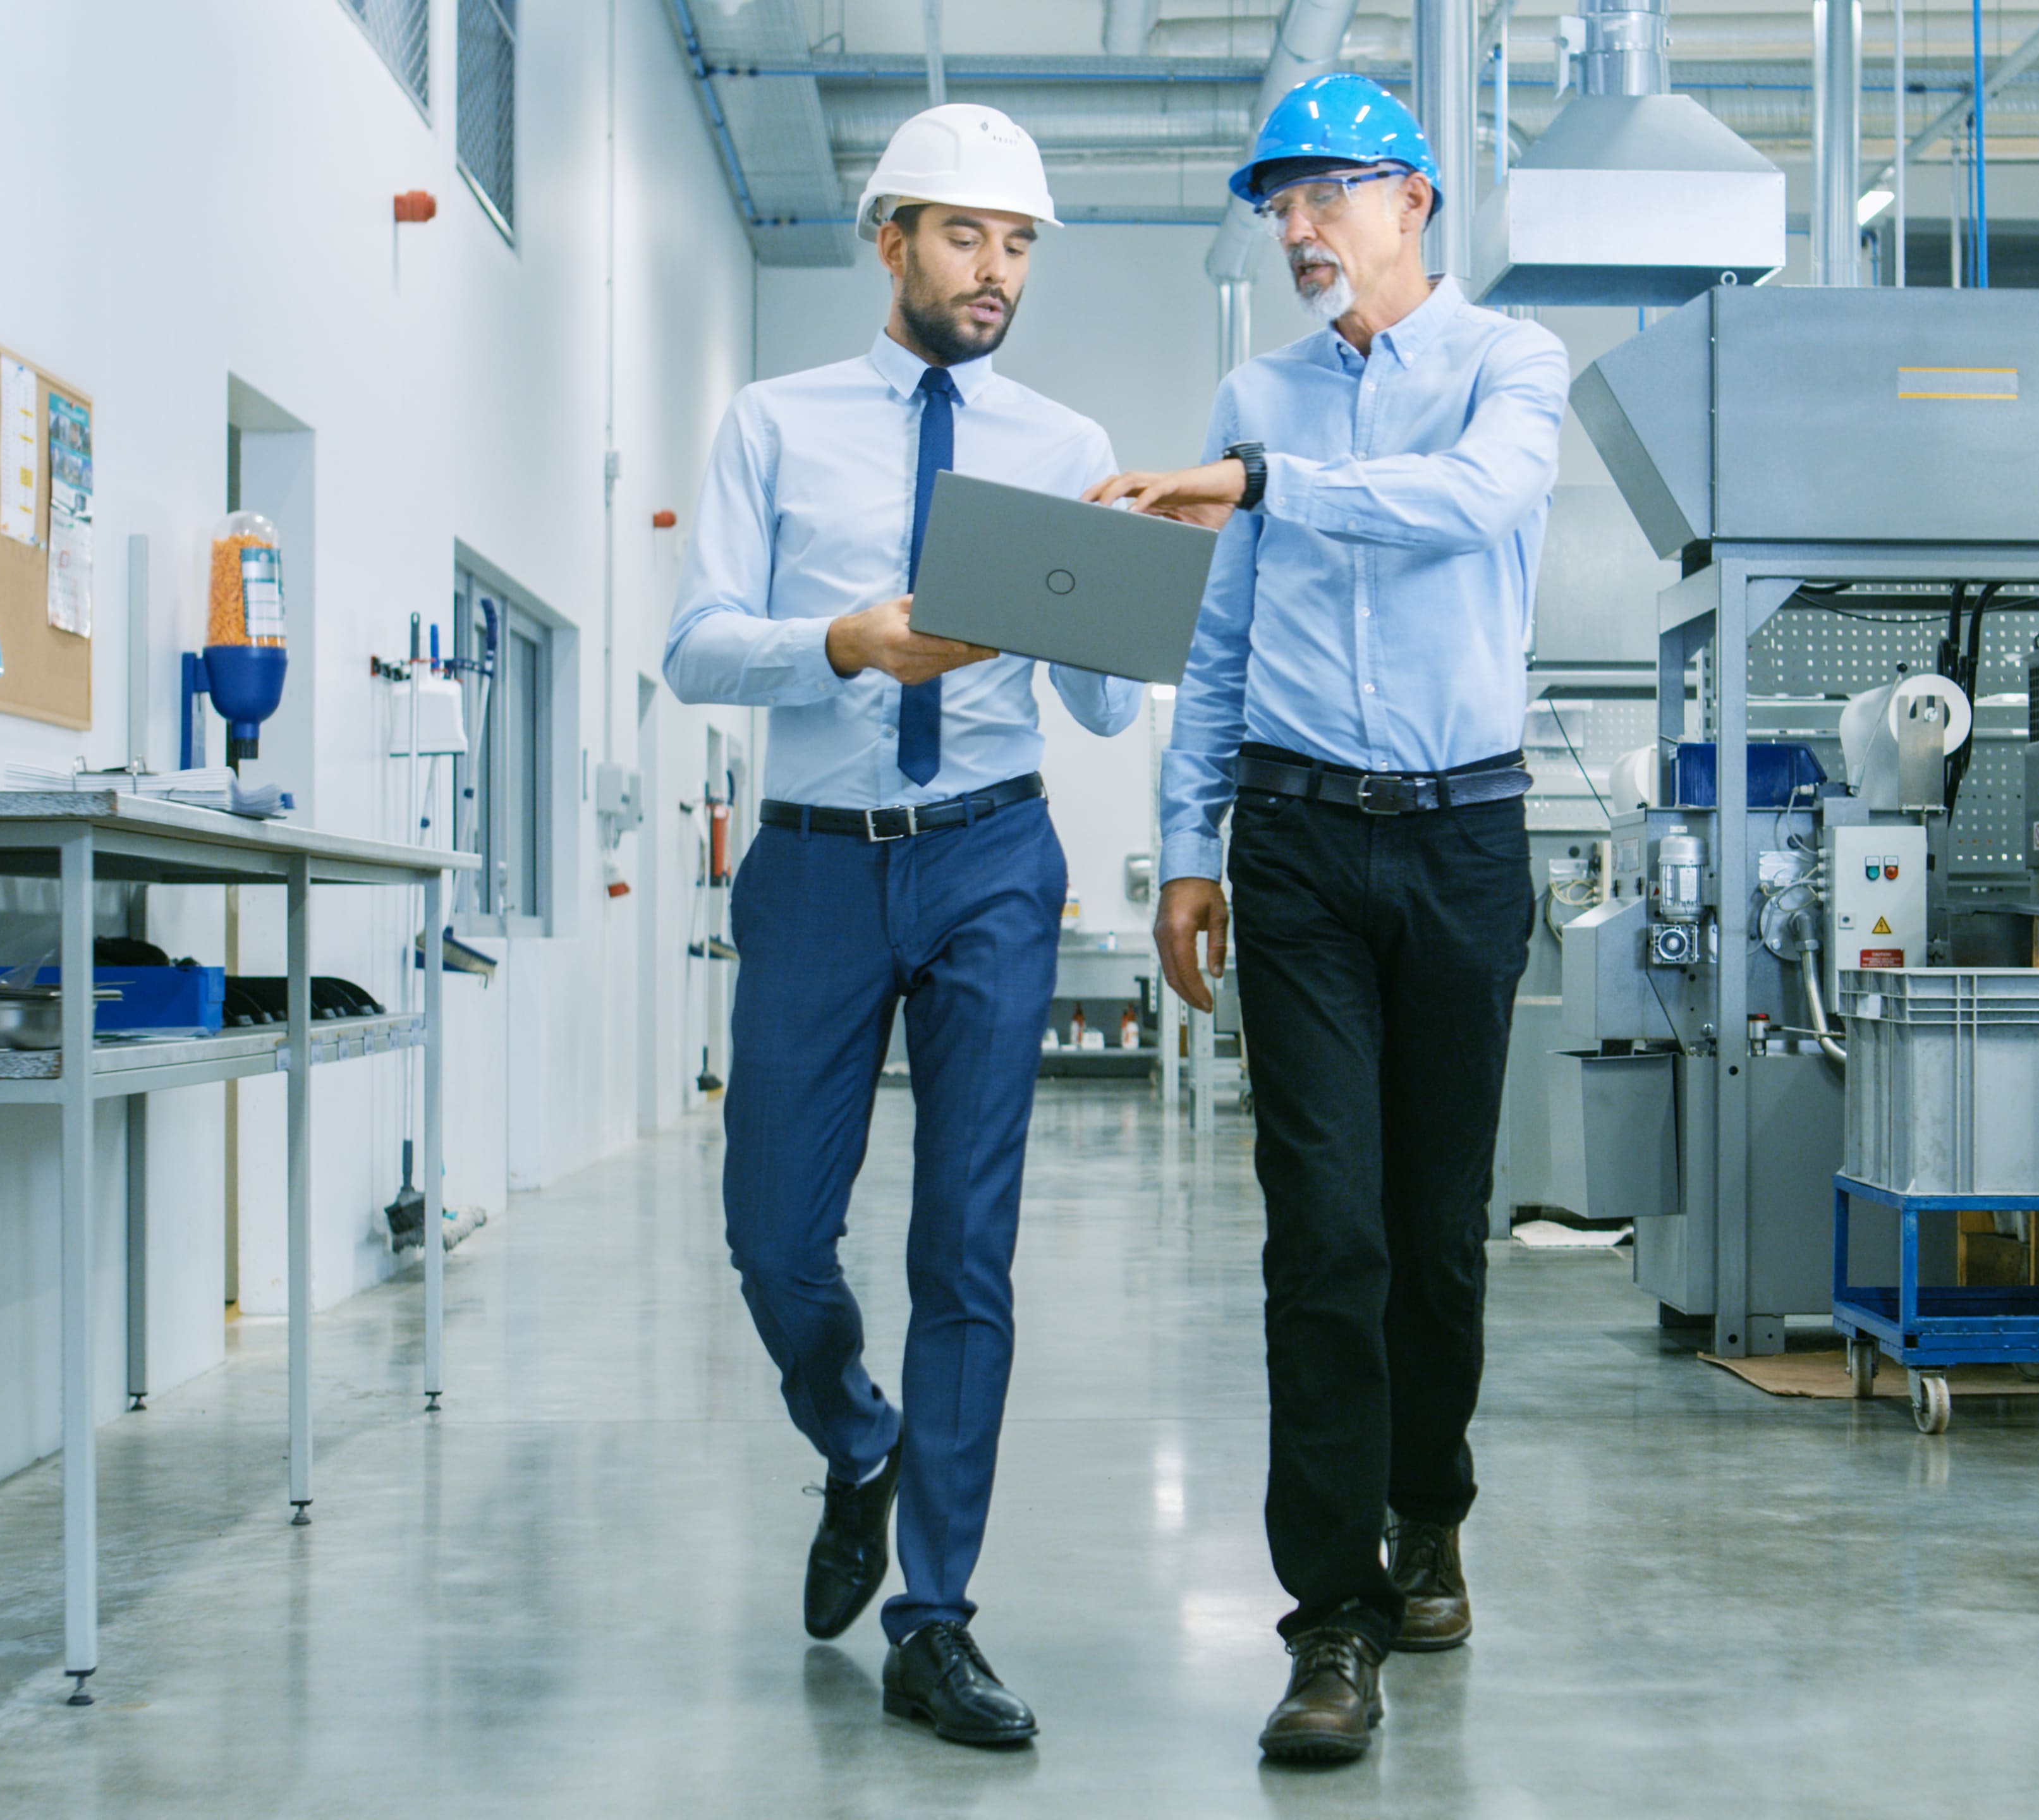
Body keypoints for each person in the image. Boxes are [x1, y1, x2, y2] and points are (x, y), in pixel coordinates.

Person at [1086, 73, 1568, 1767]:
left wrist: (1265, 483)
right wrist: (1184, 841)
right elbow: (1220, 643)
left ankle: (1430, 1504)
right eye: (1277, 204)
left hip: (1464, 839)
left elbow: (1477, 505)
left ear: (1413, 200)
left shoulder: (1511, 368)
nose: (1294, 229)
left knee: (1436, 1237)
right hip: (1292, 841)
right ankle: (1333, 1617)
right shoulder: (1256, 396)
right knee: (1327, 1237)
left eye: (1324, 195)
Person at [662, 102, 1137, 1750]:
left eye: (1016, 245)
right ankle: (857, 1440)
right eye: (964, 236)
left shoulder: (1067, 443)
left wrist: (1141, 583)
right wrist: (847, 645)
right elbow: (696, 646)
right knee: (776, 1237)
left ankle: (935, 1621)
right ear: (891, 240)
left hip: (995, 853)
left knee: (965, 1247)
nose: (995, 270)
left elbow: (1095, 702)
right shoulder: (774, 427)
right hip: (814, 860)